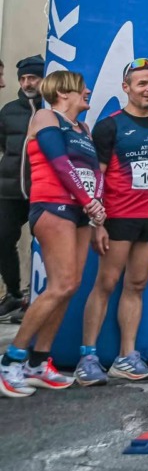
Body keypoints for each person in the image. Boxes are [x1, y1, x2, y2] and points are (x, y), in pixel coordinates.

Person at [76, 58, 148, 384]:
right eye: (142, 84)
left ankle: (126, 356)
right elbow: (97, 177)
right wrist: (98, 224)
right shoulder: (110, 126)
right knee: (105, 284)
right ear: (126, 88)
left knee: (136, 285)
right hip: (119, 217)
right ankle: (87, 357)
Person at [0, 71, 100, 397]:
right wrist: (90, 202)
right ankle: (11, 361)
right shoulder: (46, 116)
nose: (88, 91)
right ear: (64, 92)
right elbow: (59, 162)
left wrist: (95, 204)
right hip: (53, 206)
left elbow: (93, 171)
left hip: (82, 213)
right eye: (81, 87)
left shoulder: (82, 128)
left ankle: (39, 361)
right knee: (59, 286)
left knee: (69, 286)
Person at [0, 55, 44, 323]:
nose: (27, 83)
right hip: (10, 190)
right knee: (3, 238)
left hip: (41, 191)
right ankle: (14, 294)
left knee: (42, 244)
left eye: (33, 78)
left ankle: (36, 298)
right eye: (23, 79)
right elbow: (4, 145)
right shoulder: (8, 110)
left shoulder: (50, 109)